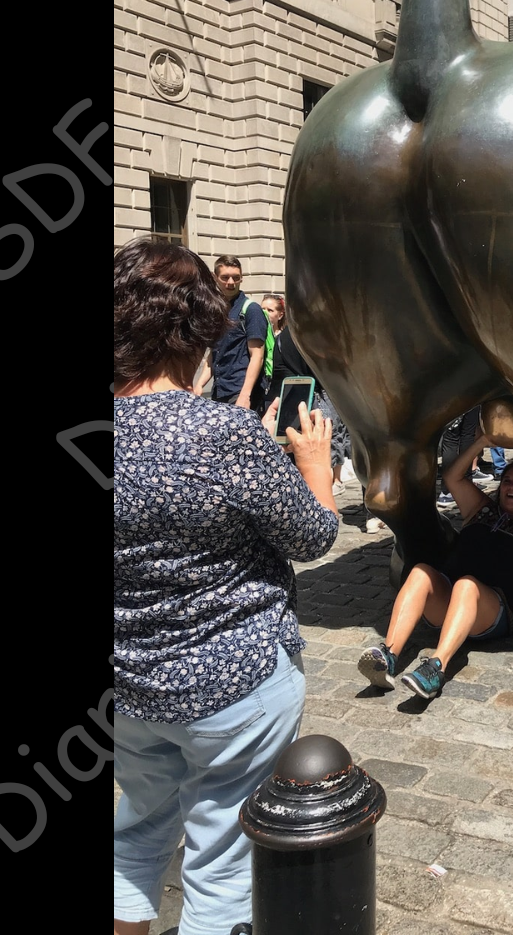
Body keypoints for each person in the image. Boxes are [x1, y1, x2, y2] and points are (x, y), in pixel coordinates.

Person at [111, 239, 341, 935]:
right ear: (196, 331)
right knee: (221, 865)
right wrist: (315, 464)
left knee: (132, 839)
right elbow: (313, 537)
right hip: (232, 685)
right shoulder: (222, 434)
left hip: (129, 684)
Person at [357, 437, 513, 700]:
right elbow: (453, 478)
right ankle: (388, 656)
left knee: (467, 585)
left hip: (492, 612)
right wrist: (483, 441)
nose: (512, 487)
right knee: (420, 571)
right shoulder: (480, 509)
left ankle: (436, 667)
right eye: (508, 481)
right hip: (449, 599)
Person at [267, 307, 352, 493]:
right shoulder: (319, 338)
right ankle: (331, 481)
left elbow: (279, 372)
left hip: (291, 396)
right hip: (321, 397)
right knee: (327, 439)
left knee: (292, 443)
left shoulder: (283, 338)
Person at [194, 255, 268, 410]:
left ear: (241, 279)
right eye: (225, 277)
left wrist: (245, 395)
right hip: (220, 390)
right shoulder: (216, 311)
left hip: (240, 392)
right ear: (215, 278)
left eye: (236, 278)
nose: (231, 283)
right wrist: (199, 385)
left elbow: (257, 355)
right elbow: (214, 355)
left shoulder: (251, 310)